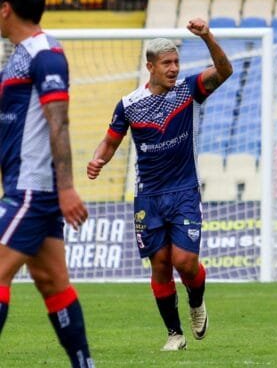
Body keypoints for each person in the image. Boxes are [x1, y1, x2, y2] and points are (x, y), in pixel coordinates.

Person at [86, 19, 232, 348]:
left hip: (183, 191)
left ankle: (196, 302)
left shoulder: (188, 90)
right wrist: (98, 160)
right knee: (161, 265)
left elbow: (225, 71)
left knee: (185, 262)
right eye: (167, 63)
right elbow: (109, 142)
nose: (174, 68)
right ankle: (174, 334)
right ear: (150, 66)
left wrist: (207, 36)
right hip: (148, 197)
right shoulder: (128, 105)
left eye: (177, 62)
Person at [0, 0, 94, 367]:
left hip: (32, 190)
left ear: (5, 8)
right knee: (53, 282)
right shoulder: (20, 54)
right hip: (27, 187)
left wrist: (67, 187)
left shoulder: (45, 54)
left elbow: (60, 122)